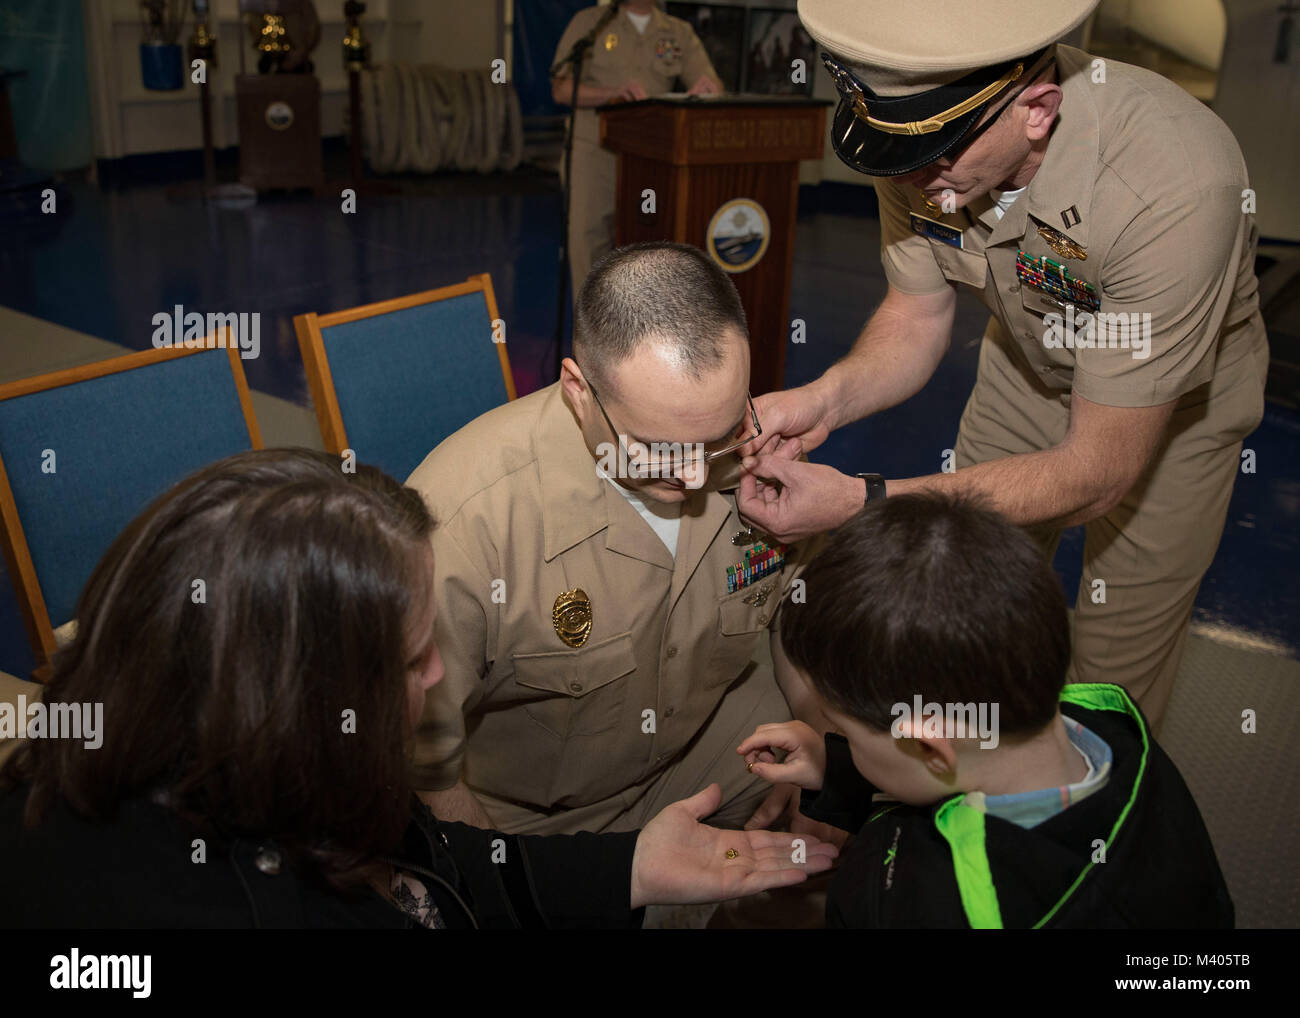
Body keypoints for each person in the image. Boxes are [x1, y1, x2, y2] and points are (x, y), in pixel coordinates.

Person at [0, 449, 835, 928]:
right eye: (406, 663)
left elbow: (433, 870)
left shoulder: (279, 769)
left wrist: (631, 867)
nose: (438, 674)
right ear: (292, 697)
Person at [737, 0, 1269, 730]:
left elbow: (1095, 475)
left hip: (1175, 407)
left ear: (1039, 110)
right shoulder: (920, 146)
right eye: (901, 156)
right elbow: (917, 314)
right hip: (1027, 365)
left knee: (1116, 661)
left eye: (940, 155)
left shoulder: (1173, 182)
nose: (917, 177)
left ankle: (1080, 830)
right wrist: (823, 400)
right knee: (954, 595)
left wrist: (864, 503)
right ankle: (954, 794)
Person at [406, 242, 821, 840]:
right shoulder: (463, 529)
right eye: (657, 448)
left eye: (721, 435)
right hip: (526, 817)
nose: (697, 475)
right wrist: (507, 887)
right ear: (578, 390)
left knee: (864, 799)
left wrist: (814, 737)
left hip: (702, 749)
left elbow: (799, 621)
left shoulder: (762, 452)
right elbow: (424, 768)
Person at [740, 492, 1234, 928]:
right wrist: (839, 769)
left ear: (929, 744)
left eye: (848, 734)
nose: (846, 742)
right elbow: (946, 786)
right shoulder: (1110, 729)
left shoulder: (955, 911)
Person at [551, 1, 723, 293]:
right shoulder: (590, 24)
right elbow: (561, 89)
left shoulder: (678, 32)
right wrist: (610, 94)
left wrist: (705, 93)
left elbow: (714, 86)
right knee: (587, 242)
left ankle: (639, 332)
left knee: (648, 244)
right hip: (595, 149)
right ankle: (592, 333)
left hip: (652, 155)